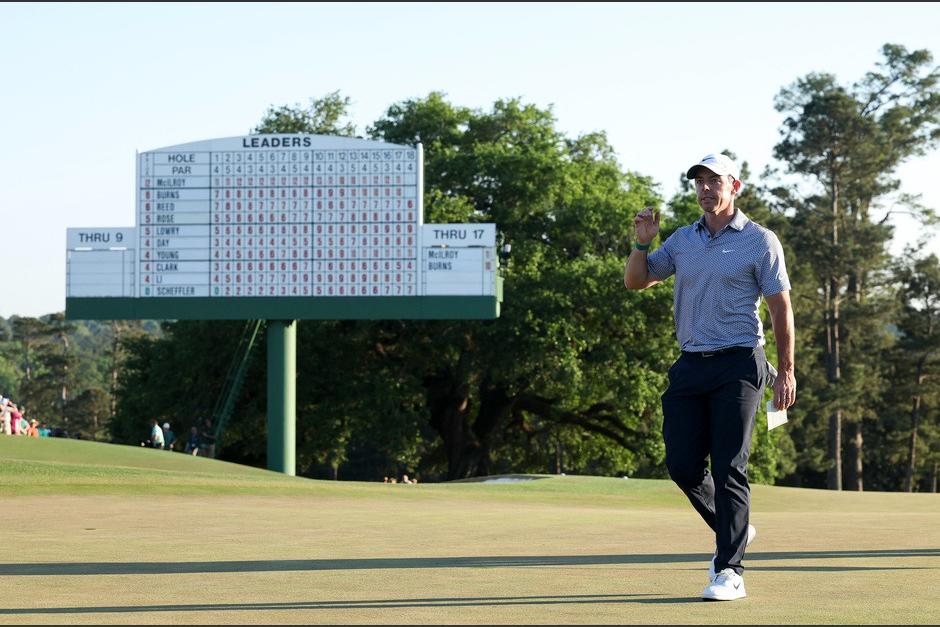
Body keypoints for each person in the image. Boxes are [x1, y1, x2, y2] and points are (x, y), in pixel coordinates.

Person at [624, 153, 796, 602]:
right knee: (681, 464)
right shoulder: (682, 240)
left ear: (734, 185)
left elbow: (780, 308)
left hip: (740, 363)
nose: (705, 188)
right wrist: (643, 242)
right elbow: (636, 281)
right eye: (699, 182)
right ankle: (734, 526)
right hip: (690, 364)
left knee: (729, 465)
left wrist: (788, 371)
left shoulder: (761, 241)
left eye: (713, 181)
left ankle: (730, 571)